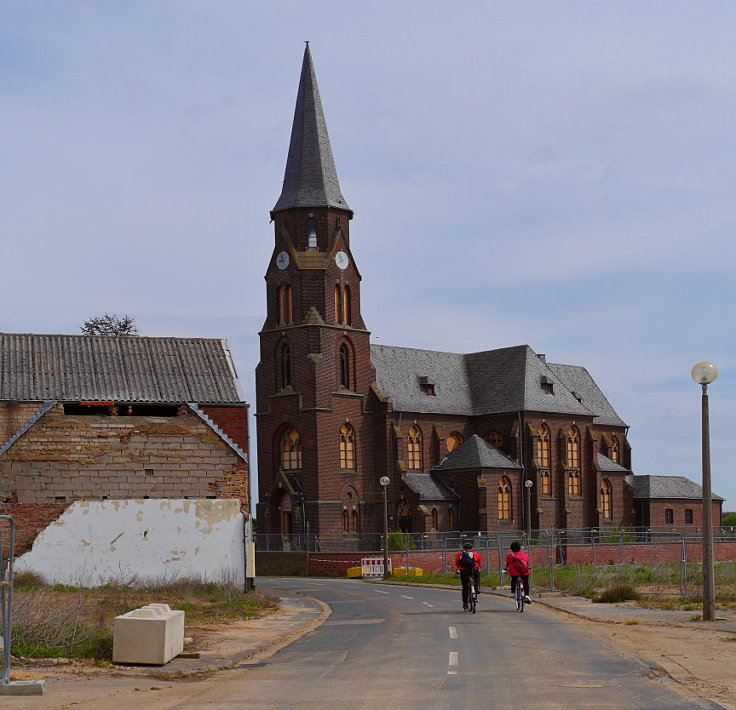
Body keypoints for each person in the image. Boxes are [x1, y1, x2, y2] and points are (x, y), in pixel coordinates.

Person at [455, 541, 482, 610]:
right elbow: (479, 563)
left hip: (464, 571)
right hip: (474, 570)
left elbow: (457, 563)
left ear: (464, 548)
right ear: (472, 548)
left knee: (465, 587)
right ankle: (477, 588)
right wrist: (479, 567)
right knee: (477, 577)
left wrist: (457, 570)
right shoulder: (475, 553)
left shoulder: (460, 554)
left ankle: (465, 603)